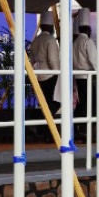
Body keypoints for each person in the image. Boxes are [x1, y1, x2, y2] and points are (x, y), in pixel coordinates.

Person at [28, 9, 60, 137]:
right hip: (50, 75)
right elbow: (52, 59)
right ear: (51, 26)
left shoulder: (36, 40)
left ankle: (43, 128)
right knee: (53, 102)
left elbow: (32, 60)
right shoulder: (50, 40)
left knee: (44, 102)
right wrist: (58, 72)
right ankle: (45, 128)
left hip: (38, 75)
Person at [72, 8, 99, 140]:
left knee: (82, 104)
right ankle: (86, 132)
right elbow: (94, 61)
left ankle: (77, 129)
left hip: (78, 77)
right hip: (87, 77)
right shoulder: (88, 42)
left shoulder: (75, 42)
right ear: (88, 30)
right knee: (91, 104)